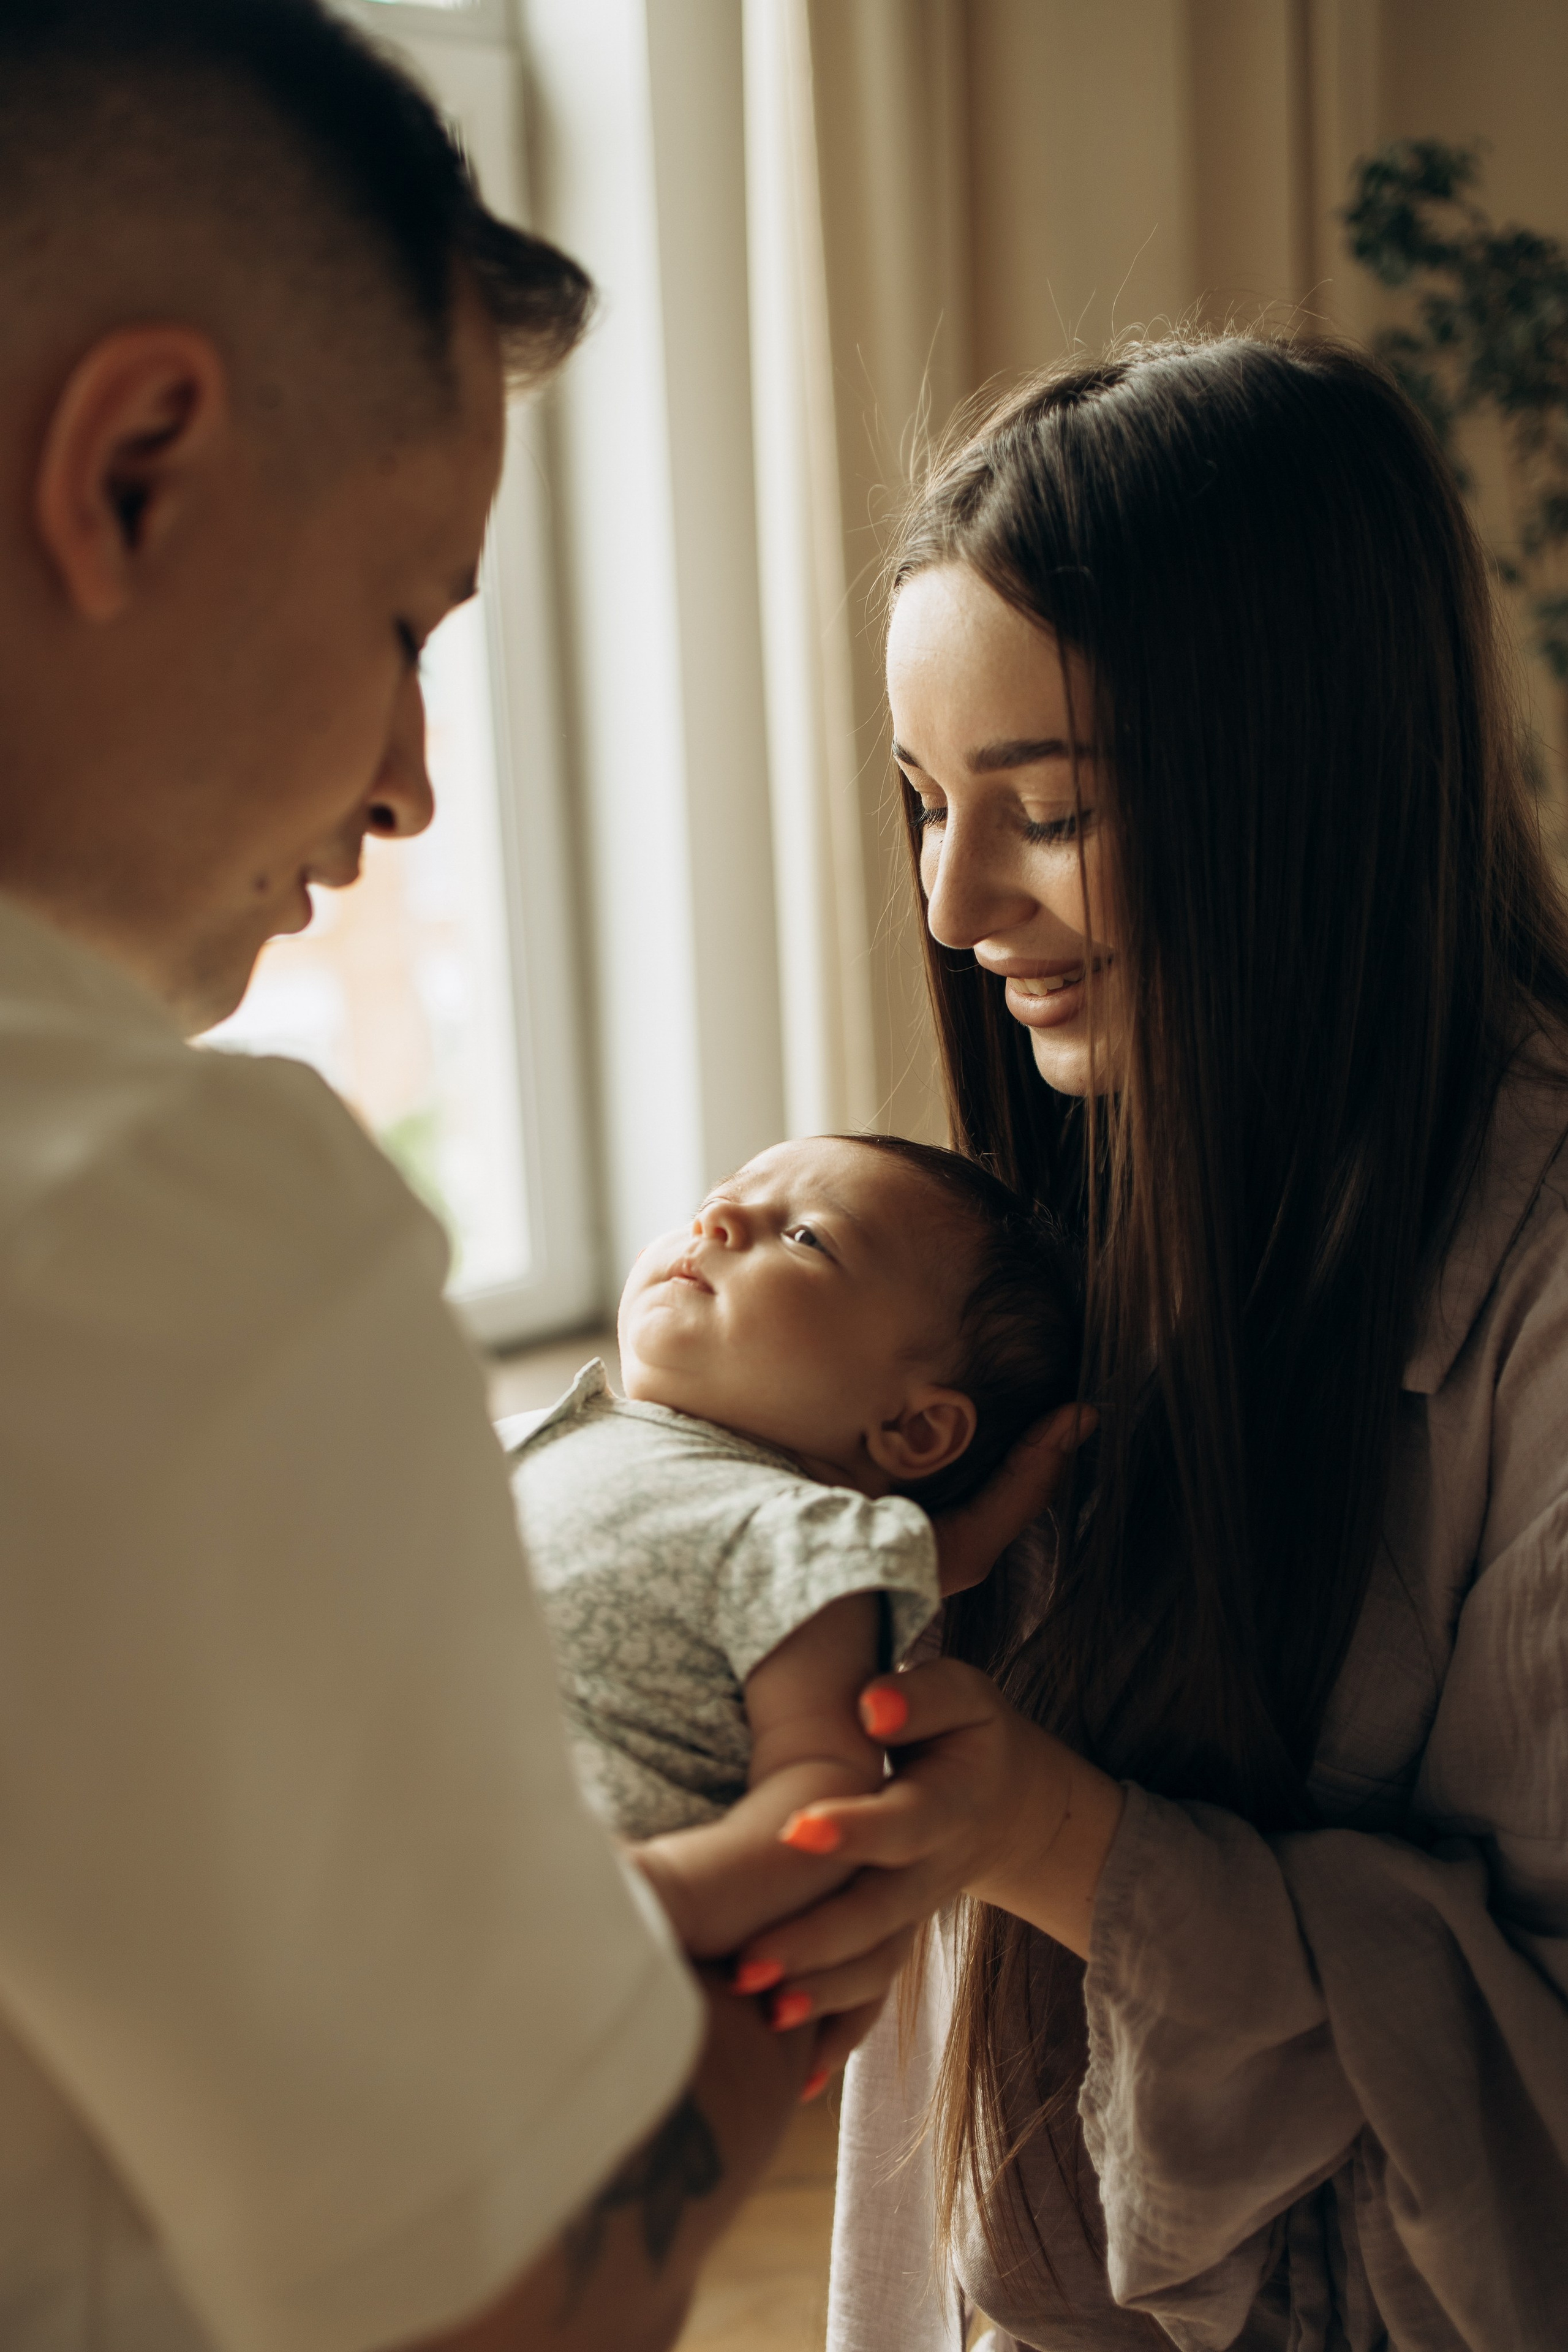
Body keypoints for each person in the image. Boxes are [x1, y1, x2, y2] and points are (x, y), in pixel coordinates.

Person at [0, 4, 976, 2347]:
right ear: (133, 470)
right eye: (404, 627)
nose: (411, 782)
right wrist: (777, 1987)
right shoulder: (163, 1231)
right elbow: (521, 2304)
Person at [715, 337, 1568, 2350]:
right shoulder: (1073, 1214)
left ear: (1305, 783)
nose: (954, 904)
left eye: (1048, 812)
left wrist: (1054, 1835)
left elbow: (1531, 2113)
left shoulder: (1535, 1309)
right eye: (928, 804)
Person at [507, 1134, 1079, 1980]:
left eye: (806, 1236)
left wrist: (666, 1898)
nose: (718, 1218)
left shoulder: (810, 1543)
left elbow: (818, 1790)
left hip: (551, 1911)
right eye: (719, 1195)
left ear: (914, 1427)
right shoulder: (556, 1423)